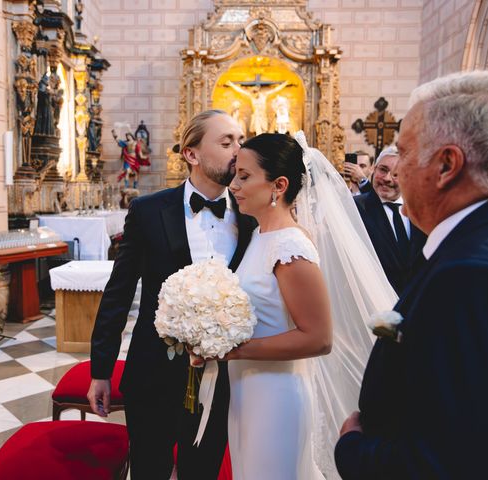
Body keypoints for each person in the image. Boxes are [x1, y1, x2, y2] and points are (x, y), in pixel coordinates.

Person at [335, 70, 488, 479]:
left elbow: (452, 462)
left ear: (446, 164)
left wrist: (354, 448)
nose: (396, 172)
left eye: (405, 151)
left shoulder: (472, 278)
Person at [88, 110, 255, 479]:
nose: (238, 151)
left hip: (221, 378)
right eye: (227, 142)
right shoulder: (148, 211)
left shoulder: (252, 217)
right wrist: (101, 370)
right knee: (149, 470)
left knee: (203, 472)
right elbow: (119, 292)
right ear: (192, 154)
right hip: (153, 374)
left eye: (240, 141)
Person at [227, 132, 398, 479]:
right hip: (247, 388)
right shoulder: (261, 235)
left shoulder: (290, 245)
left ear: (279, 185)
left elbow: (319, 338)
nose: (233, 185)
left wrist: (232, 348)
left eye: (244, 176)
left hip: (276, 395)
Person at [354, 146, 426, 295]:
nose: (387, 178)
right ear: (374, 169)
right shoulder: (354, 208)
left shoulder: (421, 210)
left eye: (396, 174)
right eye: (383, 170)